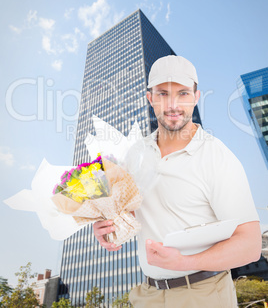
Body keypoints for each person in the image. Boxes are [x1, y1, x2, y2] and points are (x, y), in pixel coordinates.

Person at [93, 55, 262, 308]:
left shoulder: (217, 156)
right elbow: (129, 214)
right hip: (148, 294)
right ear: (150, 98)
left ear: (196, 97)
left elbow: (250, 245)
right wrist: (106, 227)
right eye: (163, 94)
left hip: (204, 294)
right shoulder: (136, 153)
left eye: (183, 93)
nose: (173, 104)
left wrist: (185, 263)